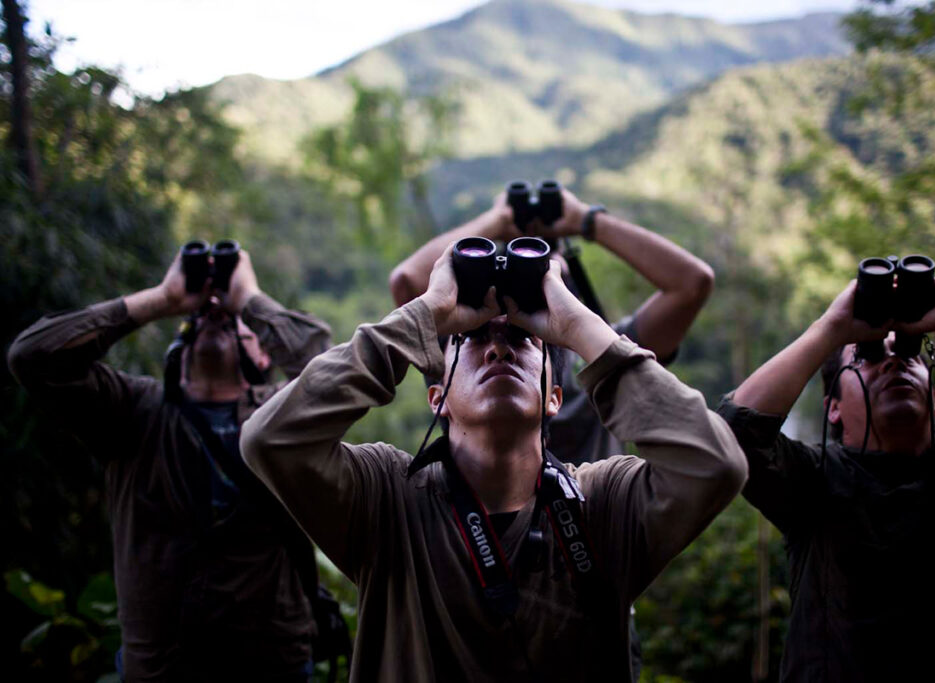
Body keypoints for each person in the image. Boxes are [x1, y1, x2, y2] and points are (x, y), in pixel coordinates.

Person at [240, 244, 747, 682]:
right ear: (436, 397)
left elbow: (716, 464)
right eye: (474, 339)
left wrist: (577, 325)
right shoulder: (387, 496)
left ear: (554, 398)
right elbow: (272, 439)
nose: (499, 350)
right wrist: (427, 314)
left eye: (523, 341)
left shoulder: (602, 503)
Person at [8, 248, 332, 681]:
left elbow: (329, 368)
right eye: (197, 318)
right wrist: (161, 299)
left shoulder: (279, 413)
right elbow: (32, 356)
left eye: (233, 322)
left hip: (272, 667)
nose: (213, 317)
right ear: (176, 348)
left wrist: (249, 298)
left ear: (264, 359)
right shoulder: (132, 411)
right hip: (161, 670)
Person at [716, 276, 935, 681]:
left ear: (934, 401)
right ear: (833, 409)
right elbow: (733, 432)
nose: (894, 361)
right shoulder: (812, 482)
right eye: (868, 357)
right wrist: (832, 328)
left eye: (910, 354)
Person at [388, 186, 714, 465]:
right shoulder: (462, 355)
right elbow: (406, 284)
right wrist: (500, 222)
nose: (500, 349)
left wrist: (586, 221)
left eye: (552, 275)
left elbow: (693, 283)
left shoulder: (603, 351)